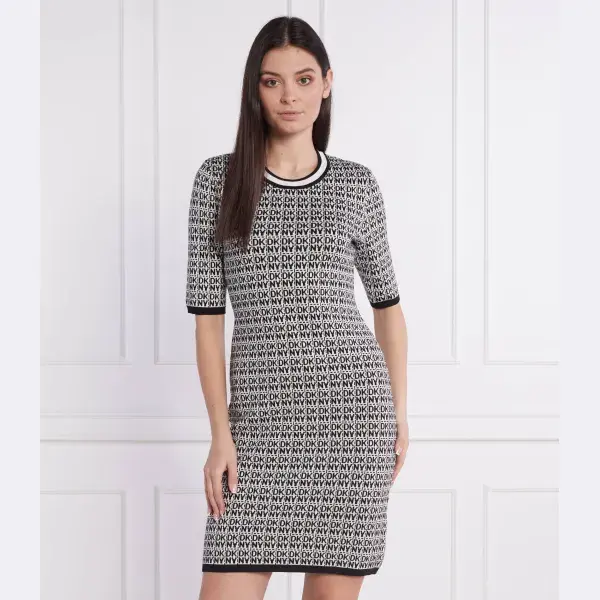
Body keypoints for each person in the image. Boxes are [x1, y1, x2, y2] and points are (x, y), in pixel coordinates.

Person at [186, 15, 409, 600]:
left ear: (327, 83)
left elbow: (388, 309)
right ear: (254, 89)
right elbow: (208, 322)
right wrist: (220, 433)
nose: (289, 96)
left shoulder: (356, 186)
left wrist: (399, 413)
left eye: (304, 79)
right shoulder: (218, 181)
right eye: (272, 81)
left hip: (352, 424)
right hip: (255, 431)